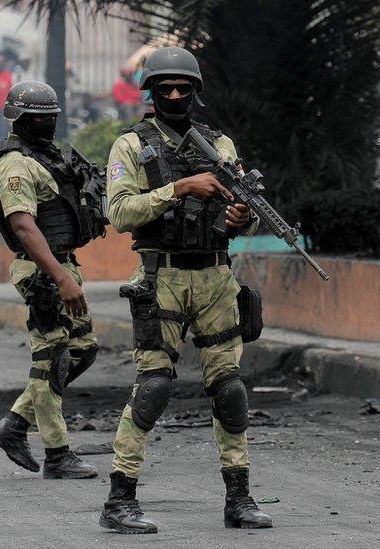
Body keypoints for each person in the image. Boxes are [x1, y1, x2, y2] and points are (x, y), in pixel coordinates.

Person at [98, 47, 273, 534]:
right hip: (162, 277)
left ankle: (238, 497)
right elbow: (120, 214)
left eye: (184, 88)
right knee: (153, 386)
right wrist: (180, 188)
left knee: (230, 389)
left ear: (196, 92)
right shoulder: (130, 146)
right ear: (150, 94)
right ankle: (120, 498)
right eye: (165, 89)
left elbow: (242, 211)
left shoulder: (222, 145)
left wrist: (241, 216)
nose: (175, 96)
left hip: (216, 276)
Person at [0, 81, 107, 480]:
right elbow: (23, 226)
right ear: (19, 119)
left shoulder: (46, 156)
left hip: (63, 265)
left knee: (83, 350)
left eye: (51, 117)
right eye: (39, 118)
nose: (47, 124)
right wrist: (60, 278)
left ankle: (15, 424)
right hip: (42, 269)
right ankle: (57, 454)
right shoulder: (14, 163)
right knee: (51, 355)